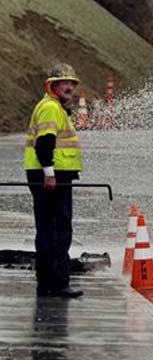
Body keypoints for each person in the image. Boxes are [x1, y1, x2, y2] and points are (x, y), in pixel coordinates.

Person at [23, 63, 84, 298]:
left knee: (47, 228)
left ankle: (46, 281)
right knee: (59, 228)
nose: (70, 87)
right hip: (52, 176)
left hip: (48, 174)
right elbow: (45, 144)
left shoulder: (52, 106)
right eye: (64, 83)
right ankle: (58, 283)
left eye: (72, 83)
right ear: (53, 85)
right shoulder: (50, 108)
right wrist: (50, 174)